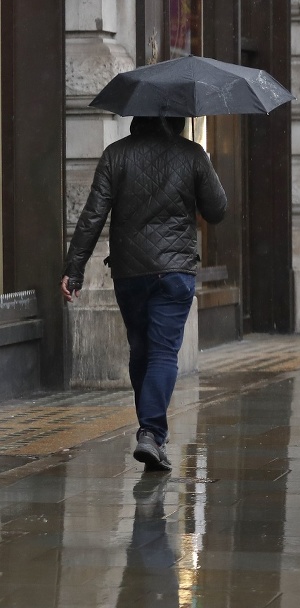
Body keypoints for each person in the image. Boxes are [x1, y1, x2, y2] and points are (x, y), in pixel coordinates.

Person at [61, 116, 227, 472]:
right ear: (177, 119)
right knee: (164, 352)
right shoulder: (192, 154)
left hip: (130, 271)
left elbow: (93, 215)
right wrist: (202, 168)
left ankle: (151, 434)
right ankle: (151, 432)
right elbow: (217, 210)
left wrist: (74, 269)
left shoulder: (115, 155)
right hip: (175, 271)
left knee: (141, 348)